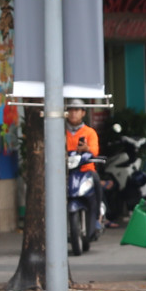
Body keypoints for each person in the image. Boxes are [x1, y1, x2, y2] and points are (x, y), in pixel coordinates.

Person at [64, 99, 102, 238]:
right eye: (71, 110)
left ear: (83, 113)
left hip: (86, 169)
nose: (73, 113)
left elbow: (95, 151)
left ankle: (97, 218)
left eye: (77, 110)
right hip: (65, 172)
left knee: (97, 182)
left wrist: (87, 149)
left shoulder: (89, 132)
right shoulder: (60, 130)